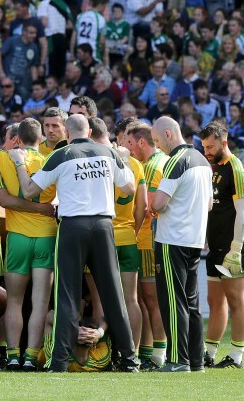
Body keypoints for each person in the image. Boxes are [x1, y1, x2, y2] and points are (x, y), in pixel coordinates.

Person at [8, 114, 138, 372]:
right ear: (89, 131)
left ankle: (59, 362)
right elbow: (130, 189)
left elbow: (30, 191)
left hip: (72, 226)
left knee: (66, 294)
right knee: (113, 293)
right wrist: (122, 159)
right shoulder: (107, 152)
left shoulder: (61, 154)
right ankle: (129, 360)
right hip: (103, 225)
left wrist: (19, 164)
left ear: (67, 134)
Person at [0, 118, 57, 371]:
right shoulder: (52, 160)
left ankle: (13, 356)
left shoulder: (3, 158)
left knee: (14, 300)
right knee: (40, 302)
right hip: (47, 236)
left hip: (17, 237)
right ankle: (30, 358)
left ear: (17, 139)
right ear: (40, 138)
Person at [150, 116, 212, 372]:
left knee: (173, 302)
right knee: (192, 302)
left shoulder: (175, 161)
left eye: (156, 140)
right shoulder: (202, 160)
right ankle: (196, 360)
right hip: (195, 239)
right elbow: (208, 204)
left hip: (172, 239)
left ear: (167, 134)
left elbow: (159, 203)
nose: (158, 146)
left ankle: (178, 360)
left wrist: (153, 207)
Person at [199, 121, 244, 369]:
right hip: (216, 246)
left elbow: (243, 212)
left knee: (236, 300)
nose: (207, 151)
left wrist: (236, 248)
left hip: (234, 247)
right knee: (214, 302)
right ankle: (209, 353)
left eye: (210, 146)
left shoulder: (236, 168)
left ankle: (236, 356)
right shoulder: (213, 167)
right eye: (203, 147)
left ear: (224, 142)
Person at [93, 117, 146, 361]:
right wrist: (132, 232)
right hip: (128, 238)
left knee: (100, 300)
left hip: (103, 238)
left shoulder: (97, 161)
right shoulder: (135, 164)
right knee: (131, 299)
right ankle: (131, 353)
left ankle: (100, 354)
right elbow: (142, 206)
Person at [124, 121, 169, 369]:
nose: (129, 149)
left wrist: (131, 228)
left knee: (150, 299)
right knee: (144, 299)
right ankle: (149, 351)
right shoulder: (161, 160)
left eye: (130, 143)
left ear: (142, 142)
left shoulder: (151, 167)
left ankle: (157, 354)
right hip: (151, 239)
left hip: (145, 240)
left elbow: (149, 208)